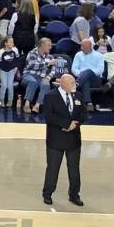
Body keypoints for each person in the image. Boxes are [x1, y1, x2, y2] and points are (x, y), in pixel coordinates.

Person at [40, 69, 84, 207]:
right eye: (71, 82)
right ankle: (47, 194)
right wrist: (66, 124)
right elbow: (49, 116)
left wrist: (75, 124)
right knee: (53, 168)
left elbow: (84, 114)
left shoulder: (78, 96)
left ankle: (74, 195)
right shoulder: (50, 97)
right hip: (56, 139)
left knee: (74, 169)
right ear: (63, 83)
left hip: (73, 139)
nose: (74, 84)